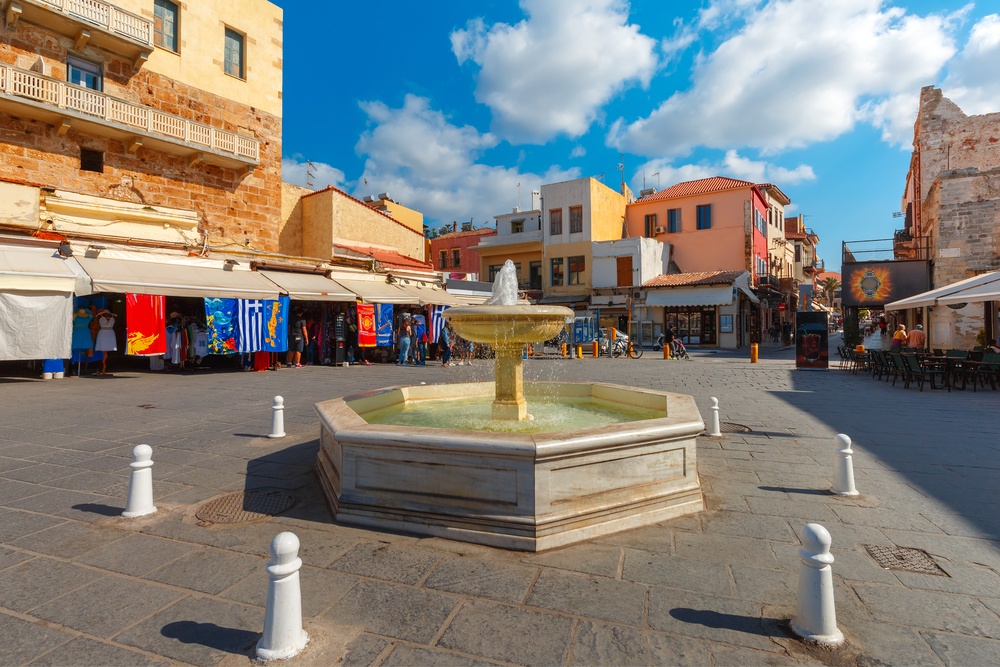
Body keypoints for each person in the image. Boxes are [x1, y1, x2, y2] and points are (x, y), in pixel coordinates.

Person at [94, 308, 117, 376]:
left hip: (110, 333)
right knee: (103, 349)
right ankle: (102, 366)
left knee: (107, 349)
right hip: (103, 333)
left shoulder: (112, 317)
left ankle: (105, 367)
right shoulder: (100, 317)